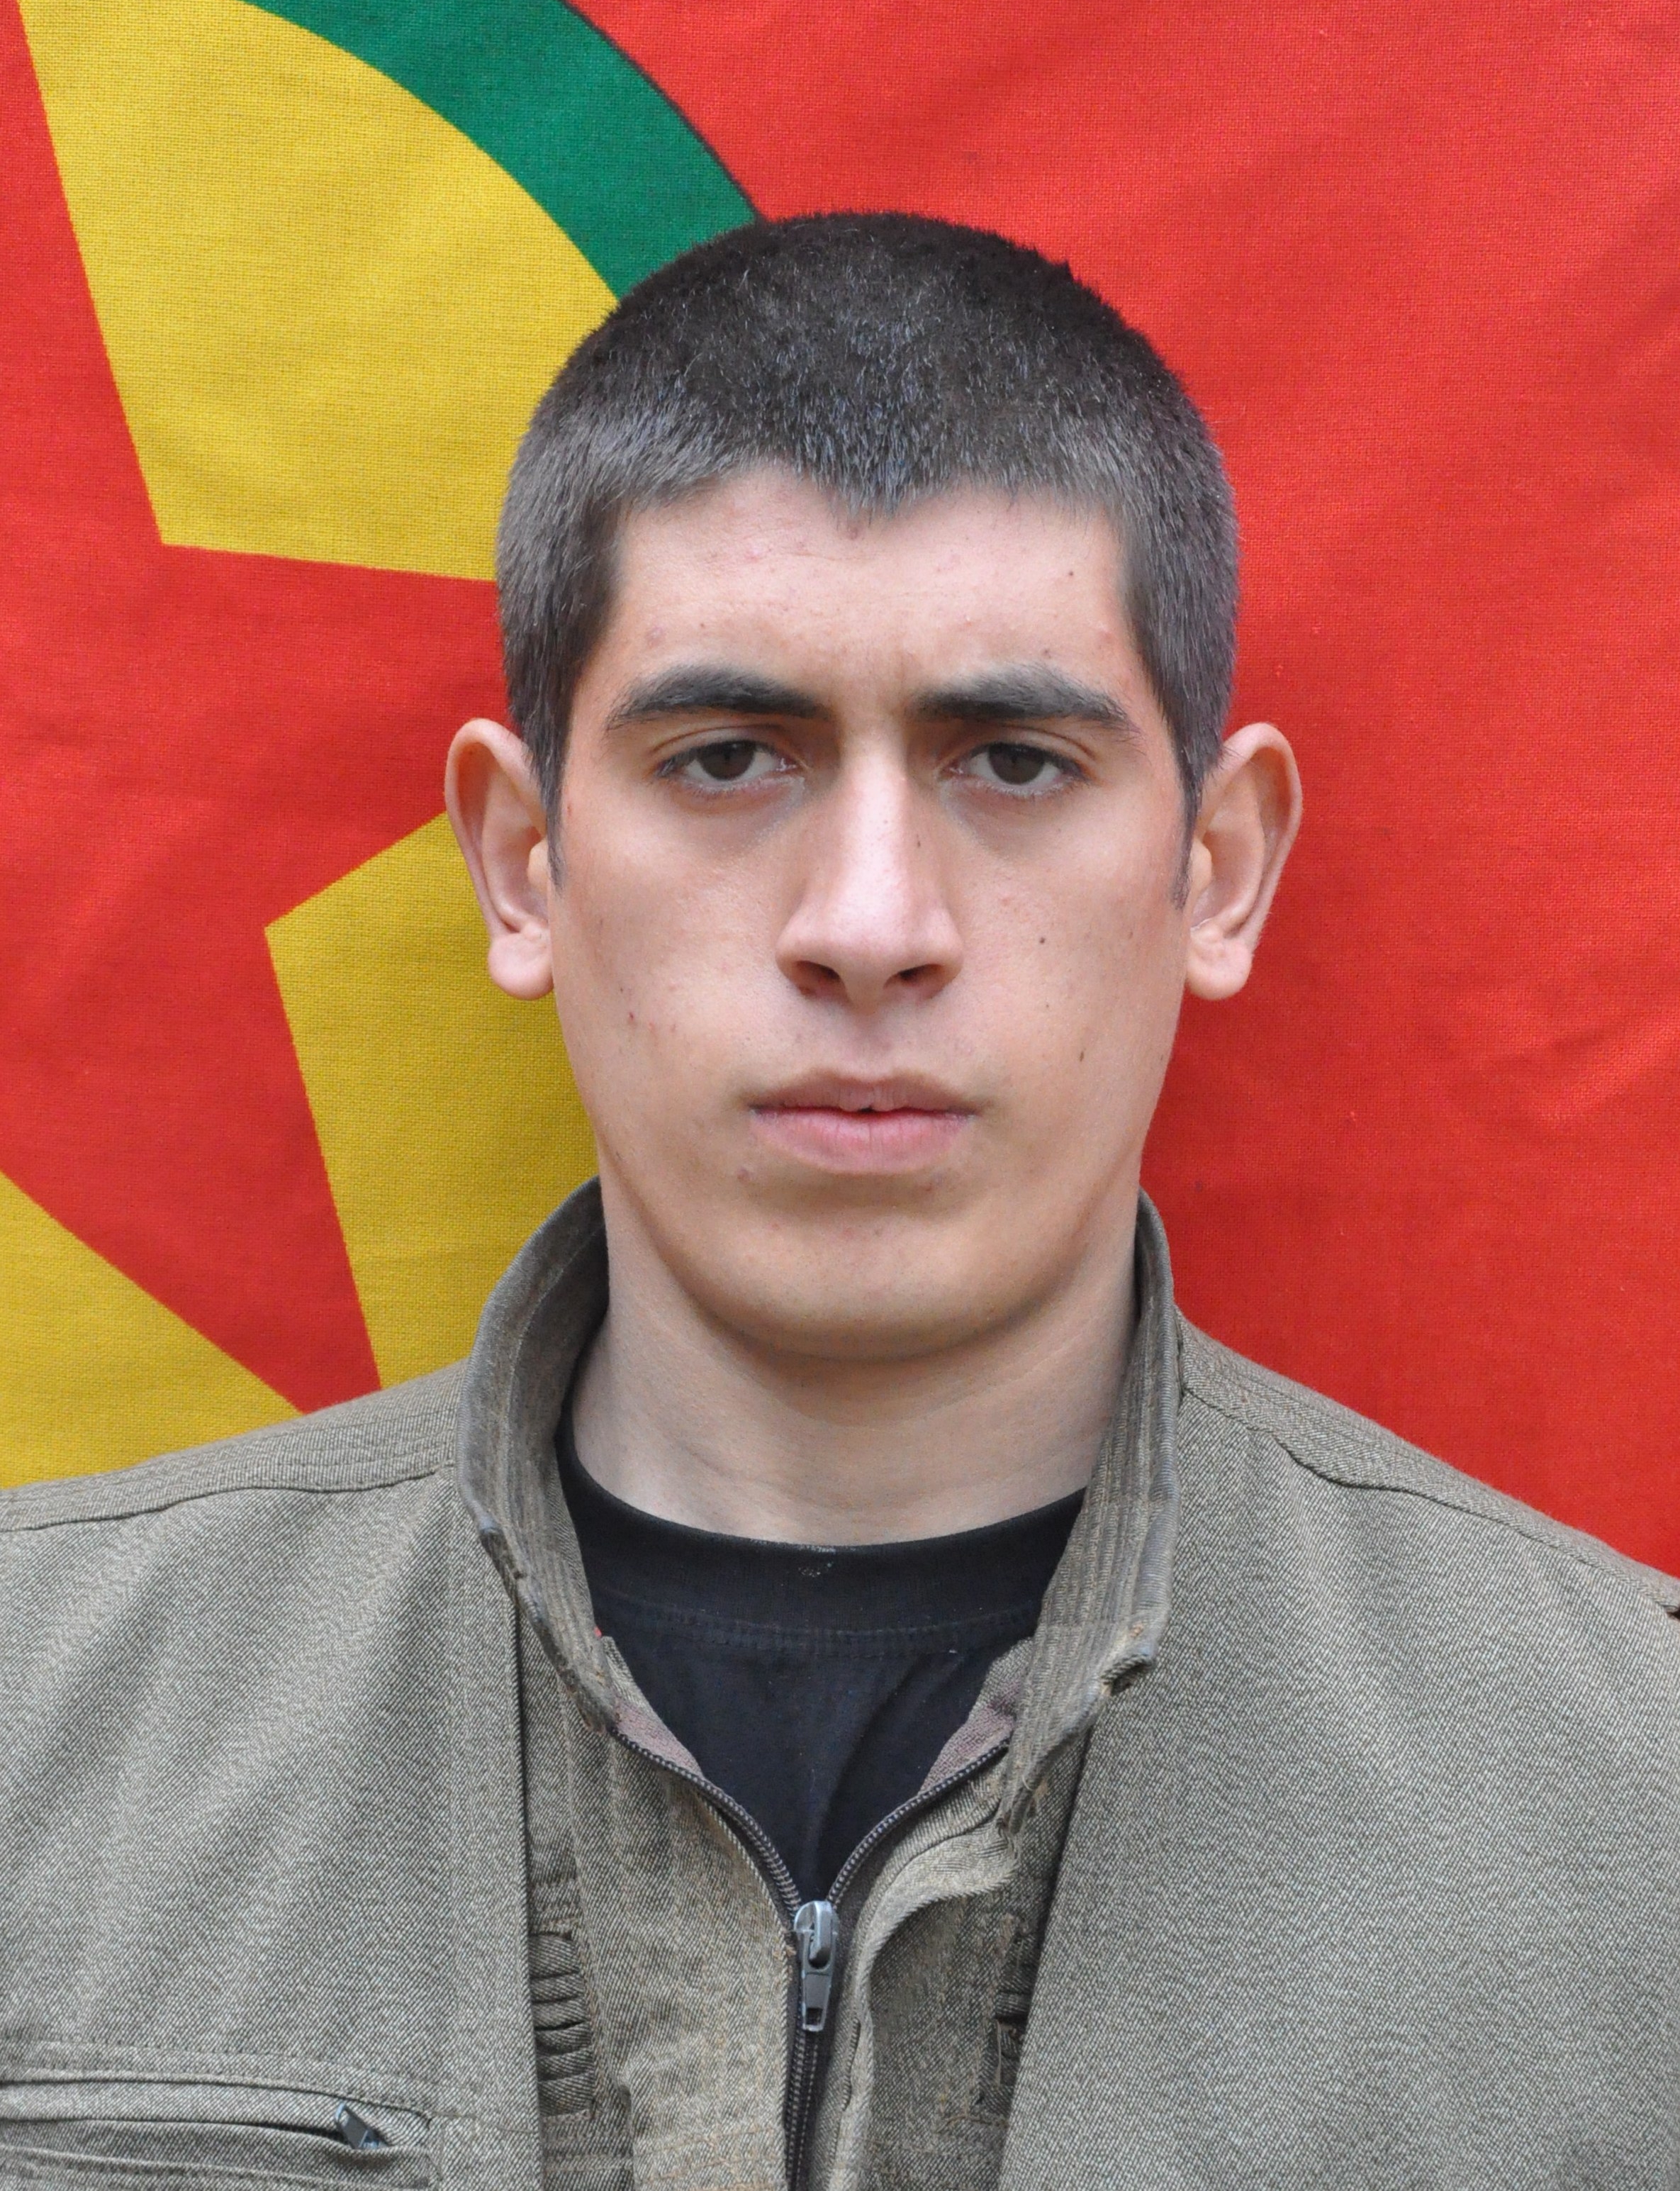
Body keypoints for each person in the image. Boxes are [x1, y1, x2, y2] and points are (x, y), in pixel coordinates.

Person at [3, 216, 1677, 2191]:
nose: (870, 925)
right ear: (523, 863)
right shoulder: (38, 1730)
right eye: (727, 757)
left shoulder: (1628, 1805)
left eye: (1014, 763)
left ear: (1216, 870)